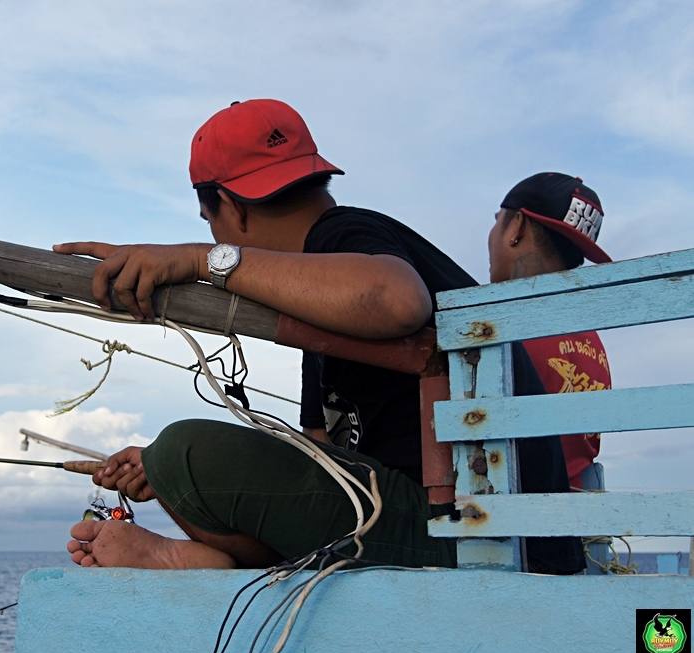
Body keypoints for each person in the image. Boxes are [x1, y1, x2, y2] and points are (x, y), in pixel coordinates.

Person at [56, 99, 583, 573]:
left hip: (480, 532)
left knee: (184, 448)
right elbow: (318, 452)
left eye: (209, 222)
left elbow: (397, 301)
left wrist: (201, 259)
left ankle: (202, 555)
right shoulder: (322, 288)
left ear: (229, 207)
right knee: (177, 463)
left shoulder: (345, 236)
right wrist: (171, 481)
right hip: (461, 521)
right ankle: (208, 554)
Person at [487, 173, 612, 489]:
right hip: (581, 521)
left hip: (519, 522)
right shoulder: (590, 338)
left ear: (516, 226)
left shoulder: (495, 324)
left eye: (497, 220)